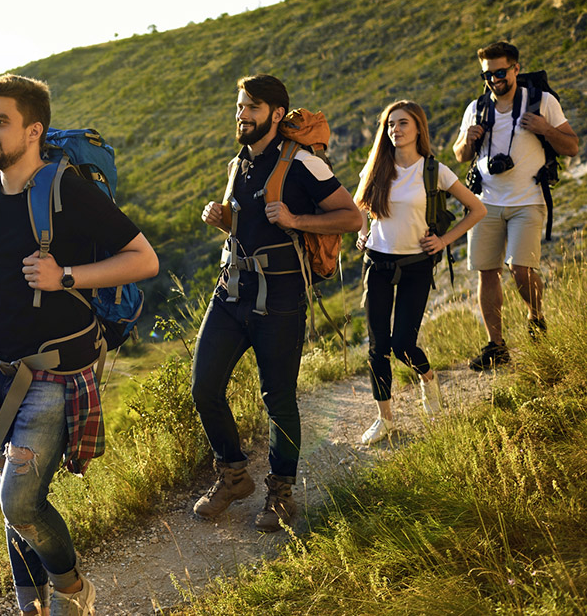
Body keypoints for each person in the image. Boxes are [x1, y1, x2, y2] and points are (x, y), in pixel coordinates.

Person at [0, 74, 158, 616]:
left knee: (18, 501)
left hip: (53, 373)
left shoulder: (67, 188)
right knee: (11, 500)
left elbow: (144, 259)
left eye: (0, 122)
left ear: (34, 129)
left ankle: (70, 588)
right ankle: (31, 604)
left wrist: (64, 275)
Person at [192, 74, 362, 531]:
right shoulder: (238, 165)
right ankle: (232, 475)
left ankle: (281, 492)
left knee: (278, 398)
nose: (242, 115)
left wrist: (295, 218)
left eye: (250, 107)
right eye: (239, 107)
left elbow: (352, 215)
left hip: (282, 298)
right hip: (231, 293)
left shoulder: (305, 163)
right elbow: (247, 227)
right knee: (204, 387)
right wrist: (222, 219)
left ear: (274, 113)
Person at [354, 101, 486, 444]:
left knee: (402, 345)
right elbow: (358, 209)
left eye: (403, 124)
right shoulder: (375, 166)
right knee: (377, 346)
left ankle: (428, 379)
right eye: (390, 125)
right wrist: (361, 233)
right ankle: (385, 419)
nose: (395, 130)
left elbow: (477, 208)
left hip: (415, 265)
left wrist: (443, 240)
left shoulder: (434, 170)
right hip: (377, 264)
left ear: (418, 129)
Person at [453, 41, 579, 370]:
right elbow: (459, 155)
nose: (495, 78)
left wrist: (546, 129)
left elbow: (572, 147)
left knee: (520, 268)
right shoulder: (476, 108)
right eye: (488, 73)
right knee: (487, 272)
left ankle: (535, 315)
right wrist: (468, 140)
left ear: (515, 69)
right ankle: (496, 346)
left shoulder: (541, 102)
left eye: (500, 71)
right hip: (484, 203)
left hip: (528, 199)